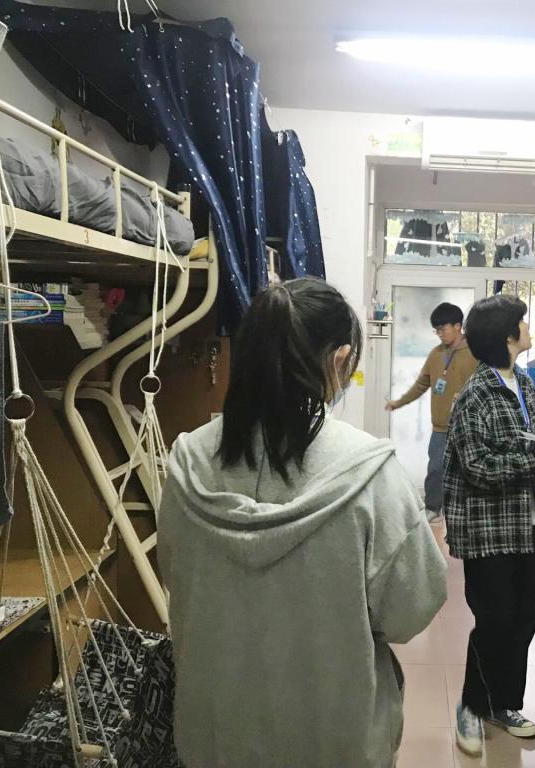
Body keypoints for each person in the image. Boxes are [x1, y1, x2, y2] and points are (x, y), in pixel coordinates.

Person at [158, 278, 447, 768]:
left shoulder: (188, 462)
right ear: (338, 360)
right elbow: (410, 610)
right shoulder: (370, 473)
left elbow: (176, 575)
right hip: (334, 740)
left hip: (215, 736)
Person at [442, 294, 535, 757]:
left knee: (524, 618)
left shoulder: (527, 385)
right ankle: (471, 706)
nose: (529, 329)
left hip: (525, 521)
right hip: (487, 528)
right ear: (507, 336)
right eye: (523, 323)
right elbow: (478, 467)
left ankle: (504, 704)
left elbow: (527, 444)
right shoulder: (473, 397)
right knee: (493, 619)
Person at [386, 302, 477, 523]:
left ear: (458, 326)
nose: (439, 334)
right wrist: (399, 403)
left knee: (470, 471)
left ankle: (467, 512)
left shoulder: (476, 352)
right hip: (441, 428)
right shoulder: (436, 354)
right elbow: (421, 384)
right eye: (436, 330)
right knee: (435, 468)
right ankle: (433, 508)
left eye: (442, 329)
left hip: (469, 427)